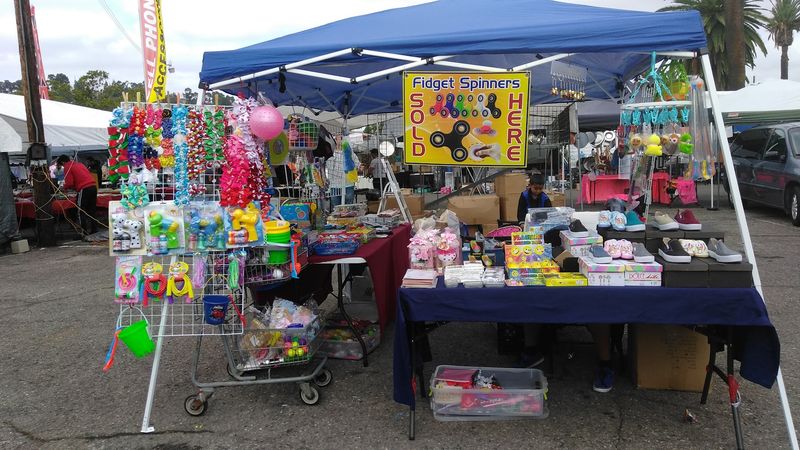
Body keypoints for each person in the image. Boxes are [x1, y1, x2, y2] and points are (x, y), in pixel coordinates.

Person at [56, 155, 97, 236]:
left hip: (84, 188)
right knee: (91, 210)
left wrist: (64, 188)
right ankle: (94, 230)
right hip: (93, 186)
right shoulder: (80, 164)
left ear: (63, 162)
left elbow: (69, 183)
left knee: (80, 211)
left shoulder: (67, 166)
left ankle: (83, 233)